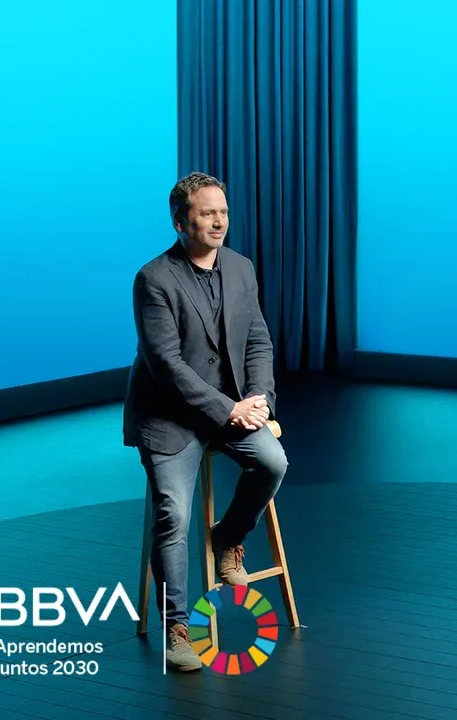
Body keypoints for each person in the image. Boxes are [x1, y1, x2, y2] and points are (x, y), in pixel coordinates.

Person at [123, 171, 288, 671]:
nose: (219, 221)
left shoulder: (240, 267)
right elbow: (166, 365)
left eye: (223, 212)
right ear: (180, 222)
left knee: (273, 463)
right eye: (207, 213)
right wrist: (228, 408)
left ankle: (228, 537)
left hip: (230, 408)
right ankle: (177, 628)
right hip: (169, 416)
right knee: (173, 515)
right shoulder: (154, 279)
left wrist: (259, 398)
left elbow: (257, 339)